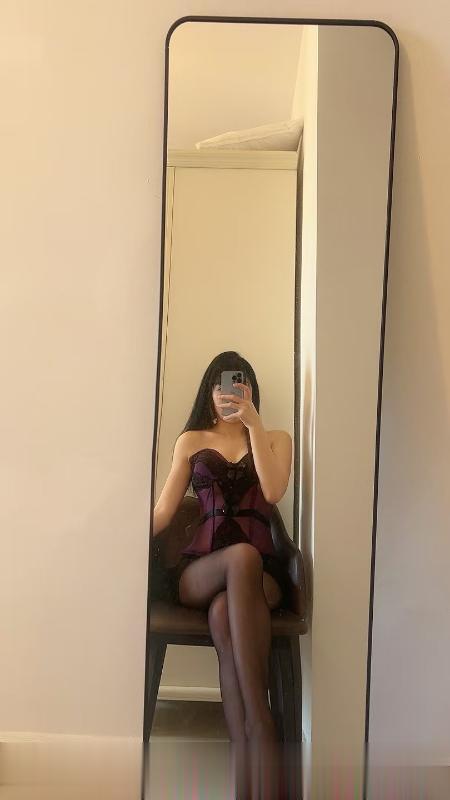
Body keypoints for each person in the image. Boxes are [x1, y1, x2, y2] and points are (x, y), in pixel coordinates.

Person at [152, 350, 292, 797]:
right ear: (208, 392)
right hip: (201, 569)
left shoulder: (276, 438)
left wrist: (254, 426)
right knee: (241, 557)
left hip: (259, 580)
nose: (228, 391)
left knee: (223, 612)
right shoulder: (190, 440)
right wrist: (115, 537)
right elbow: (163, 513)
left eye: (238, 383)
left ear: (250, 390)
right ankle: (262, 723)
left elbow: (273, 491)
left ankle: (245, 771)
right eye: (220, 383)